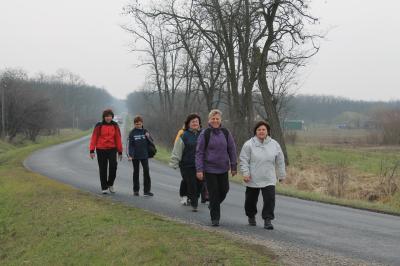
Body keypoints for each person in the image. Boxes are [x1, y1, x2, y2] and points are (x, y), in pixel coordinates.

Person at [239, 120, 286, 230]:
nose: (261, 131)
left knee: (270, 199)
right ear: (255, 131)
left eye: (263, 129)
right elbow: (243, 160)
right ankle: (251, 216)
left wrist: (281, 175)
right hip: (252, 177)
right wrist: (245, 173)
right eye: (259, 129)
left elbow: (280, 160)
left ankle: (267, 219)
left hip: (268, 177)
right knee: (250, 200)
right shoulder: (249, 144)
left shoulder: (274, 144)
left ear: (268, 131)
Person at [196, 109, 237, 226]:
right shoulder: (205, 134)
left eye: (217, 118)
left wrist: (233, 166)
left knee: (224, 190)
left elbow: (232, 149)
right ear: (209, 120)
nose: (215, 120)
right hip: (209, 169)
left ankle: (213, 205)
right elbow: (199, 152)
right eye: (213, 118)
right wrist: (199, 169)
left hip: (223, 168)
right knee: (213, 193)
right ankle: (215, 218)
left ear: (220, 120)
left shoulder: (226, 132)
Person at [170, 114, 203, 212]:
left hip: (200, 165)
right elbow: (177, 150)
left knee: (200, 184)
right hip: (187, 165)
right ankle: (194, 203)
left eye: (196, 121)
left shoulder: (203, 135)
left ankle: (193, 197)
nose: (195, 123)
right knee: (191, 183)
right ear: (188, 124)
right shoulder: (184, 135)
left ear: (199, 123)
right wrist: (174, 162)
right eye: (192, 121)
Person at [89, 109, 123, 194]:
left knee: (113, 166)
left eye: (110, 116)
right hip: (101, 149)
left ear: (112, 117)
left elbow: (118, 138)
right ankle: (104, 187)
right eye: (106, 116)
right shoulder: (99, 125)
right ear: (104, 117)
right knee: (103, 169)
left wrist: (120, 151)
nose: (108, 118)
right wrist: (92, 150)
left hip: (112, 149)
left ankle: (110, 184)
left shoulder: (115, 125)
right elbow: (94, 137)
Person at [128, 115, 154, 197]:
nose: (138, 125)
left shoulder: (145, 131)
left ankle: (147, 191)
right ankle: (136, 190)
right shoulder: (132, 133)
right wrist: (130, 155)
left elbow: (151, 142)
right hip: (135, 156)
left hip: (144, 155)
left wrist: (148, 136)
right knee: (136, 172)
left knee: (146, 172)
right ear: (134, 124)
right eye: (136, 124)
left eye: (139, 124)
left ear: (142, 123)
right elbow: (130, 145)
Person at [174, 125, 189, 205]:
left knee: (193, 180)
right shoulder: (182, 132)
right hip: (183, 160)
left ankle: (189, 196)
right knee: (186, 178)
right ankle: (183, 195)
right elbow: (176, 144)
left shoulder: (199, 133)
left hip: (194, 161)